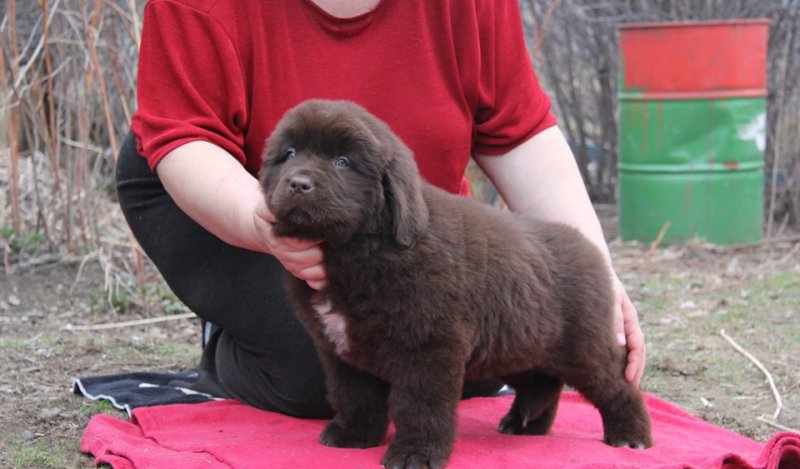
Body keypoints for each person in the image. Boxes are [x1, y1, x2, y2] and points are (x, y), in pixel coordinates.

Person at [117, 0, 646, 419]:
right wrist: (259, 224)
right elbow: (183, 136)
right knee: (318, 377)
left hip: (399, 213)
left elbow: (516, 130)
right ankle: (236, 332)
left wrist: (591, 277)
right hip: (229, 188)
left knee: (463, 358)